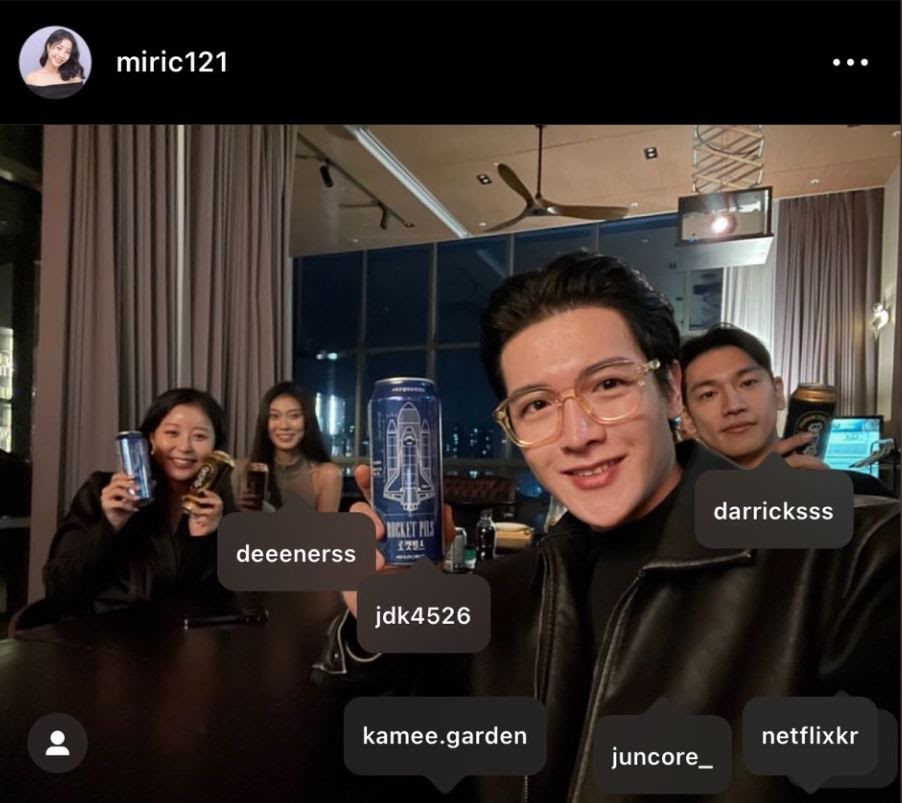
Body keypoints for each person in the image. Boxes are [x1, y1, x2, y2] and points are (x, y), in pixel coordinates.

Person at [314, 253, 899, 802]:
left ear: (671, 389)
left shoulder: (854, 557)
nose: (577, 435)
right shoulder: (505, 595)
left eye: (608, 385)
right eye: (537, 405)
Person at [44, 388, 235, 615]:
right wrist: (110, 525)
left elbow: (225, 605)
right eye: (172, 433)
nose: (185, 447)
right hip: (105, 633)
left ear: (215, 447)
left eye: (200, 436)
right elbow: (58, 588)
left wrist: (203, 541)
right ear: (152, 438)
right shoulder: (102, 490)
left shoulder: (218, 506)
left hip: (181, 635)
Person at [680, 323, 894, 495]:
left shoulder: (862, 491)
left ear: (778, 392)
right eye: (708, 394)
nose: (734, 406)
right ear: (688, 420)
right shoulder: (681, 508)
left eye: (747, 383)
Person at [232, 381, 342, 513]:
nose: (284, 426)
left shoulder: (327, 475)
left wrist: (269, 513)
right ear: (265, 422)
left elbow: (325, 527)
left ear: (307, 420)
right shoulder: (241, 471)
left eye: (294, 416)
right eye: (275, 416)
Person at [24, 29, 86, 99]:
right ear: (49, 47)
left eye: (67, 52)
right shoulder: (32, 78)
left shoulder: (75, 77)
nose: (61, 55)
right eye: (59, 48)